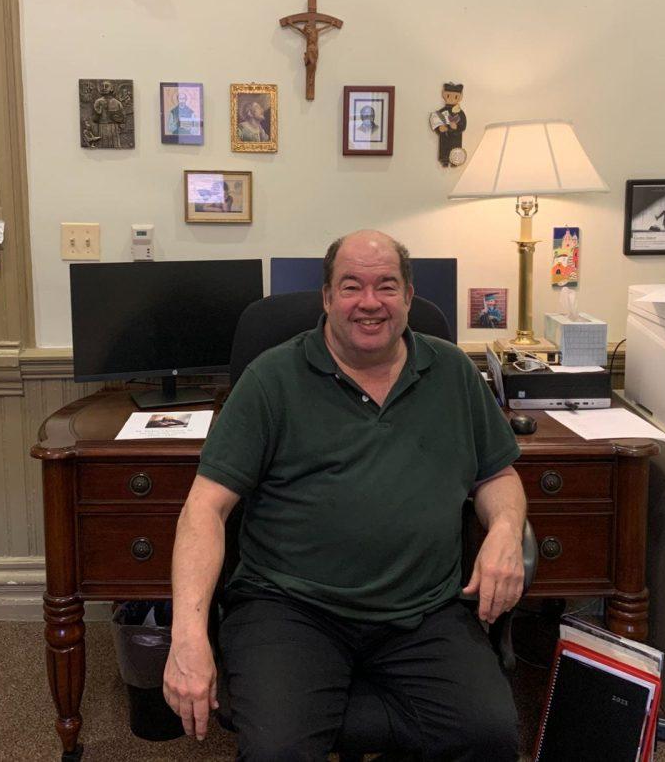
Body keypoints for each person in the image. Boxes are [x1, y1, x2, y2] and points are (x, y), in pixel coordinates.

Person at [164, 230, 527, 760]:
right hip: (291, 609)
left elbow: (498, 476)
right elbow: (204, 508)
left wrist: (504, 531)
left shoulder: (451, 371)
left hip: (424, 609)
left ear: (408, 296)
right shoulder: (272, 379)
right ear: (328, 298)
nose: (370, 302)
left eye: (386, 286)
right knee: (277, 752)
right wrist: (188, 636)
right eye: (351, 286)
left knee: (490, 737)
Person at [429, 82, 467, 166]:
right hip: (445, 138)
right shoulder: (441, 112)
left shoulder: (460, 113)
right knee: (445, 153)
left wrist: (457, 127)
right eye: (449, 96)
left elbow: (463, 126)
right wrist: (440, 129)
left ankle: (454, 162)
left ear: (460, 97)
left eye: (456, 96)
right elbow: (436, 124)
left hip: (456, 139)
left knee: (455, 153)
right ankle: (444, 161)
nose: (452, 99)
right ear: (444, 95)